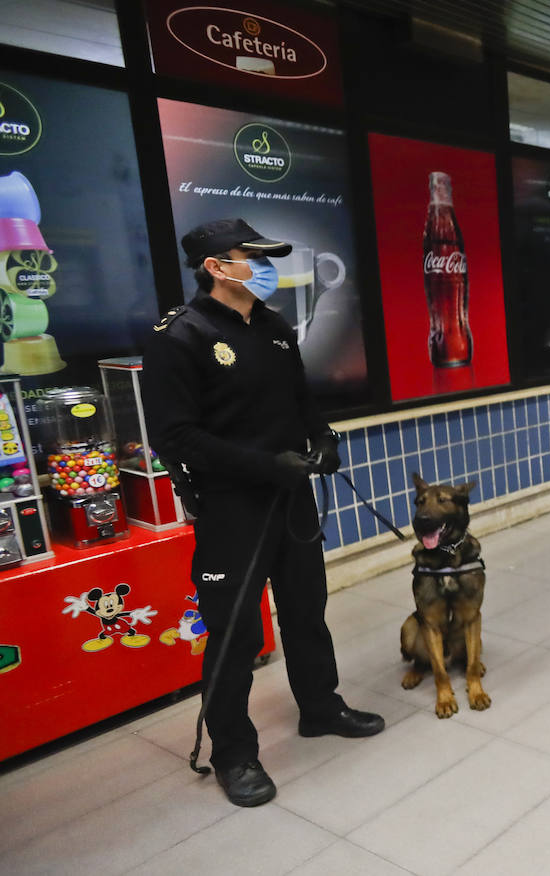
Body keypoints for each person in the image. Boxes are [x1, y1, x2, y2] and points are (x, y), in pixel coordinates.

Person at [142, 218, 384, 808]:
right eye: (252, 256)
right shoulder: (181, 337)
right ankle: (233, 754)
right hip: (232, 508)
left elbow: (299, 401)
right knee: (236, 633)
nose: (266, 266)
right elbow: (174, 438)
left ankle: (321, 709)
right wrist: (262, 466)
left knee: (306, 609)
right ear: (216, 267)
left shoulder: (274, 326)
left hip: (291, 497)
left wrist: (321, 436)